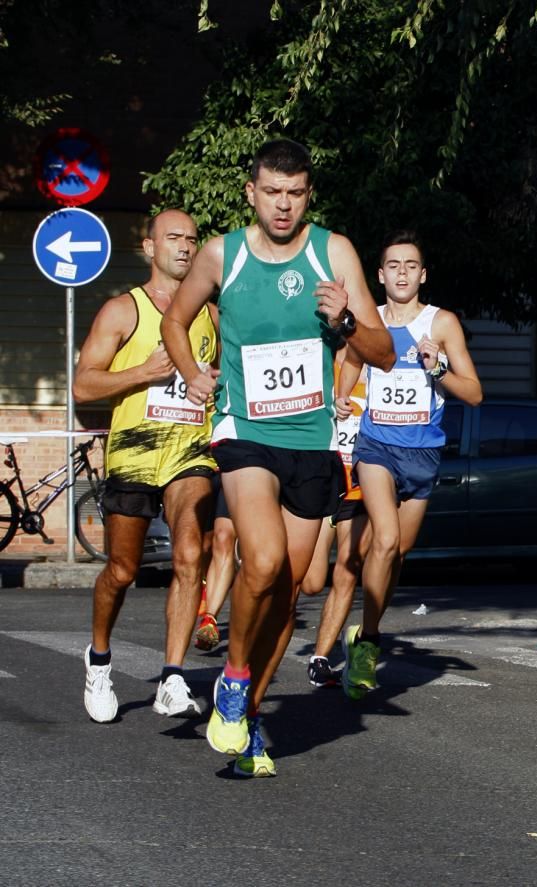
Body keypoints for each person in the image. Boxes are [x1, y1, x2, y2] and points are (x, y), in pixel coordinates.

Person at [162, 138, 394, 777]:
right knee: (259, 560)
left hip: (312, 441)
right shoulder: (222, 255)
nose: (283, 205)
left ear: (307, 194)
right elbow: (174, 323)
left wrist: (346, 321)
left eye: (294, 193)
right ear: (251, 194)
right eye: (272, 192)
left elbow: (384, 353)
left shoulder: (334, 251)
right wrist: (193, 373)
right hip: (245, 433)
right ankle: (233, 680)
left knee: (288, 596)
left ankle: (248, 717)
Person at [75, 208, 216, 723]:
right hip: (134, 451)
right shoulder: (122, 311)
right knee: (122, 570)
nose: (184, 246)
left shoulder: (211, 316)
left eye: (192, 239)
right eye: (173, 238)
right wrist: (143, 372)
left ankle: (173, 677)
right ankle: (99, 660)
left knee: (189, 554)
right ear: (149, 247)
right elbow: (83, 386)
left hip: (189, 452)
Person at [335, 230, 481, 700]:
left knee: (396, 554)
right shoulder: (367, 320)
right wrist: (342, 395)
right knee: (386, 538)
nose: (401, 273)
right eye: (393, 265)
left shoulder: (442, 323)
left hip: (423, 453)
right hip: (376, 445)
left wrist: (437, 368)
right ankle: (369, 646)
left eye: (410, 265)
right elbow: (354, 360)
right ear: (380, 275)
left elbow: (474, 393)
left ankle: (366, 630)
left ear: (423, 274)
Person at [303, 351, 372, 687]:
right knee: (312, 582)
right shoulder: (322, 364)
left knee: (347, 571)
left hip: (360, 487)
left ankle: (320, 659)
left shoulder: (378, 370)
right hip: (323, 482)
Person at [194, 478, 236, 651]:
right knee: (203, 545)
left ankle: (209, 620)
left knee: (223, 537)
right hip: (203, 468)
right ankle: (205, 582)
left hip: (236, 466)